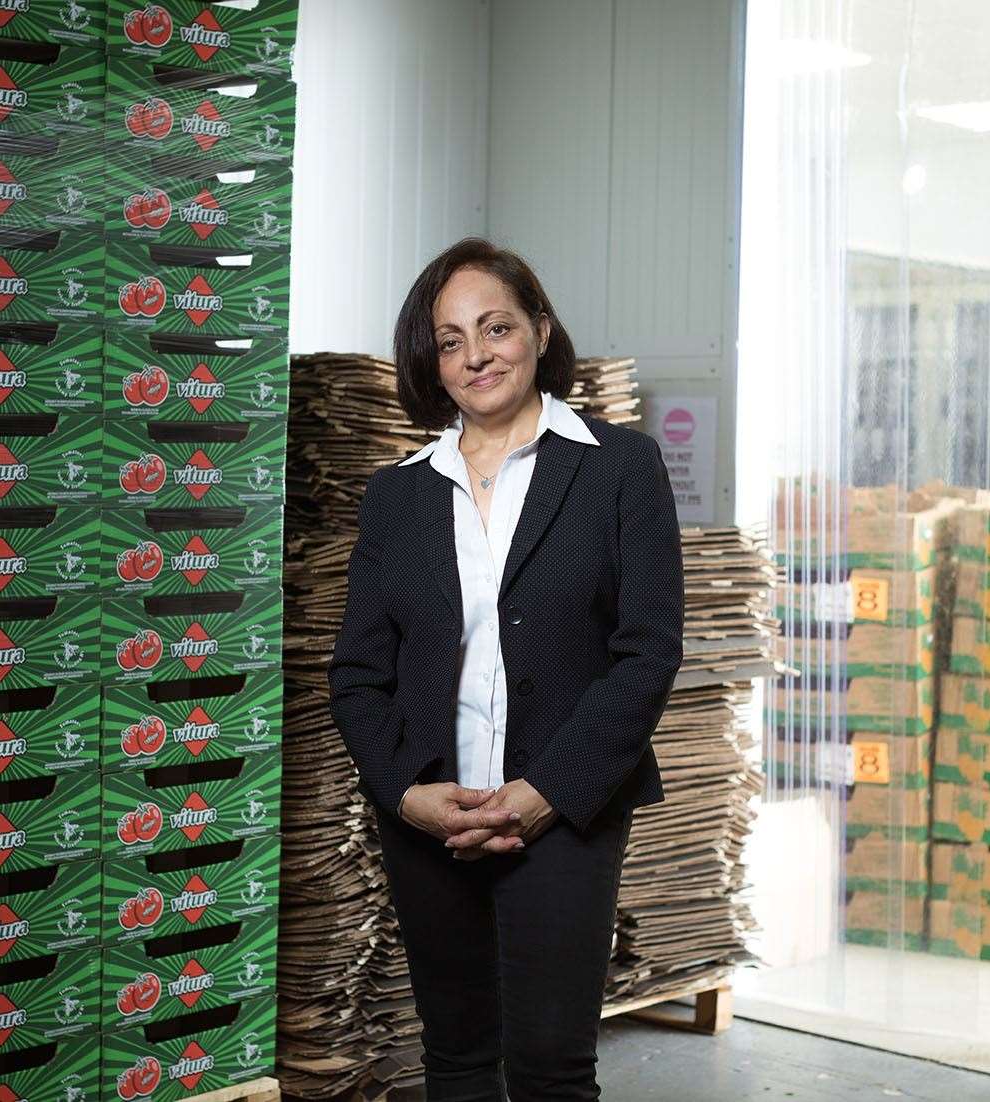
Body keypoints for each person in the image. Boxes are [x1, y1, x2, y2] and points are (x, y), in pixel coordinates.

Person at [328, 237, 685, 1100]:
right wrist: (408, 793)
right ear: (432, 360)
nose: (476, 355)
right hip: (430, 818)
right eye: (450, 340)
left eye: (496, 328)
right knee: (452, 1058)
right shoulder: (399, 493)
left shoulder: (620, 468)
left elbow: (649, 652)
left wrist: (545, 791)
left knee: (551, 1067)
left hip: (566, 815)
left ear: (540, 329)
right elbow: (357, 674)